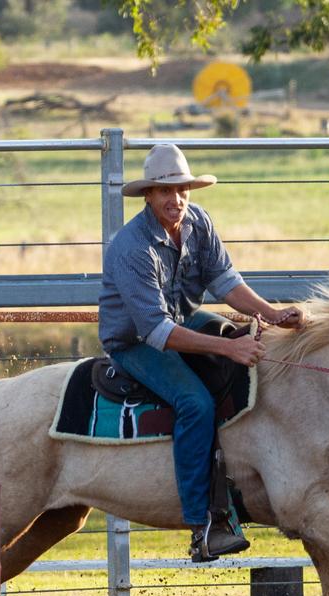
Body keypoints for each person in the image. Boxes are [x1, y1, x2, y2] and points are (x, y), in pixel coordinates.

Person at [98, 143, 306, 561]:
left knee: (242, 341)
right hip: (136, 341)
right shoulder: (132, 248)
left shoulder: (198, 222)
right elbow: (157, 331)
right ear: (148, 196)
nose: (175, 200)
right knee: (193, 403)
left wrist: (271, 313)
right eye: (164, 192)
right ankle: (202, 522)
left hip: (182, 319)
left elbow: (226, 282)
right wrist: (229, 349)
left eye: (182, 190)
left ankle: (245, 478)